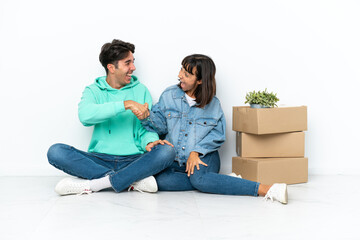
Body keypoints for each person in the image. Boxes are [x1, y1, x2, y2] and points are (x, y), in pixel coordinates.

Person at [134, 54, 288, 204]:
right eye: (181, 70)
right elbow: (161, 126)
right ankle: (223, 181)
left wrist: (196, 152)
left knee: (198, 179)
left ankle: (266, 189)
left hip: (205, 155)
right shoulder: (169, 95)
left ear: (200, 80)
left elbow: (217, 135)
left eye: (187, 74)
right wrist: (147, 116)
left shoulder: (213, 104)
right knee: (158, 181)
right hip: (177, 159)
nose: (180, 75)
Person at [47, 39, 175, 196]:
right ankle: (132, 181)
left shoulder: (141, 90)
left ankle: (97, 184)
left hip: (135, 160)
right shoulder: (93, 91)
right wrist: (125, 104)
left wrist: (149, 142)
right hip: (98, 159)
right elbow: (85, 116)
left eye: (133, 62)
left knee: (167, 151)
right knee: (56, 151)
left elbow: (145, 127)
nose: (133, 68)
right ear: (111, 67)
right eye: (127, 63)